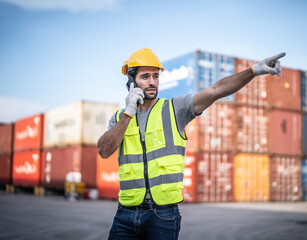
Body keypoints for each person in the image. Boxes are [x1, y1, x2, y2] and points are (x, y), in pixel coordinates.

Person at [97, 48, 285, 240]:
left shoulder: (174, 109)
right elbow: (104, 150)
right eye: (145, 77)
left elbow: (216, 90)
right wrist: (129, 112)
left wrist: (253, 71)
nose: (152, 82)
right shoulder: (120, 118)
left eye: (155, 76)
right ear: (131, 81)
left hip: (163, 216)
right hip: (125, 215)